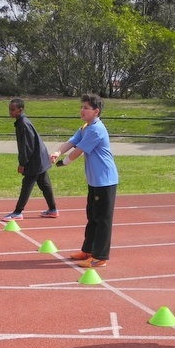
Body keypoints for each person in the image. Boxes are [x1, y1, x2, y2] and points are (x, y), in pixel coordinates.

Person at [49, 93, 118, 268]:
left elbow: (78, 151)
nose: (82, 110)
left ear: (96, 111)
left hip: (105, 181)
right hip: (95, 181)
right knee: (92, 217)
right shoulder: (86, 127)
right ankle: (88, 250)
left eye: (86, 108)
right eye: (82, 107)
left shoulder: (96, 129)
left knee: (102, 220)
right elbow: (72, 141)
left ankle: (100, 257)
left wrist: (64, 162)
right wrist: (58, 152)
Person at [0, 98, 58, 221]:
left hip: (35, 160)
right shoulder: (21, 122)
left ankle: (17, 212)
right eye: (9, 109)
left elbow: (26, 147)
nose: (10, 112)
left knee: (27, 185)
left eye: (12, 109)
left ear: (20, 110)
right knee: (45, 185)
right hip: (39, 158)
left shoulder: (23, 124)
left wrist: (22, 164)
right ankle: (53, 210)